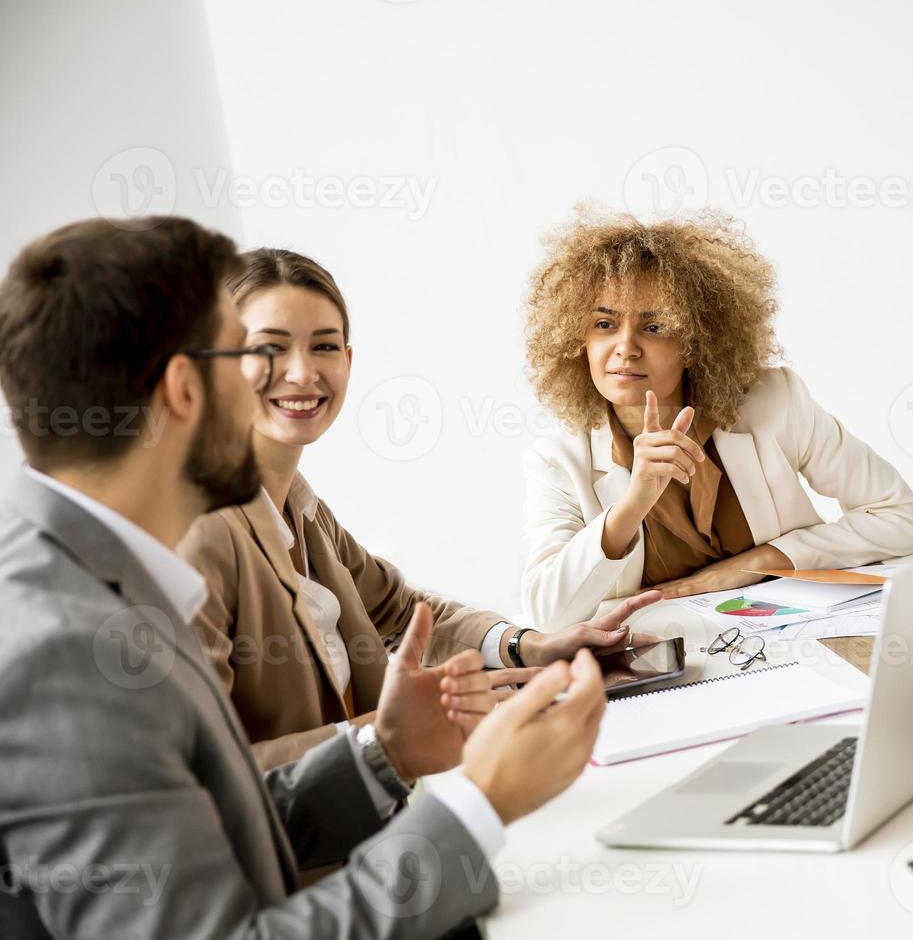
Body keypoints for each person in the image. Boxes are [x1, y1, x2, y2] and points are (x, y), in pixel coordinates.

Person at [0, 216, 604, 937]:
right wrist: (479, 801)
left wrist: (388, 753)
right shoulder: (61, 650)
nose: (282, 380)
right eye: (247, 356)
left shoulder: (97, 571)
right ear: (186, 389)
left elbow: (219, 827)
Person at [179, 248, 660, 768]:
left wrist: (528, 646)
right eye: (270, 348)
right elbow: (200, 773)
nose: (302, 373)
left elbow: (402, 612)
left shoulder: (301, 506)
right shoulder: (197, 534)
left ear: (347, 361)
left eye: (323, 346)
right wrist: (384, 737)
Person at [520, 207, 913, 630]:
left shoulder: (776, 402)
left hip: (796, 645)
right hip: (671, 664)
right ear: (577, 338)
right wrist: (633, 503)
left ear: (696, 338)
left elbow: (904, 518)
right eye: (604, 324)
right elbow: (547, 613)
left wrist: (767, 560)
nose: (626, 347)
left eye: (655, 326)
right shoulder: (558, 461)